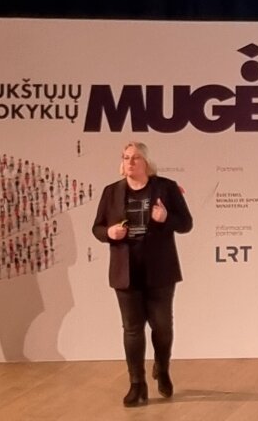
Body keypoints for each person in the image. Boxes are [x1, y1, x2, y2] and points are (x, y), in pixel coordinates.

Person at [93, 142, 193, 407]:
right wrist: (109, 233)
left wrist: (165, 218)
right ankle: (137, 384)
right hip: (126, 272)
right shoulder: (112, 191)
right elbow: (98, 227)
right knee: (132, 329)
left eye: (135, 158)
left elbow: (186, 224)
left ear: (146, 162)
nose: (130, 162)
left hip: (160, 271)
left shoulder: (166, 188)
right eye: (126, 157)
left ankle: (162, 367)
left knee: (162, 326)